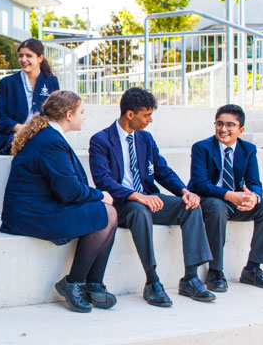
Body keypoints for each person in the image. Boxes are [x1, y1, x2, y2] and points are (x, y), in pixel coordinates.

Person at [88, 87, 215, 307]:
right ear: (130, 114)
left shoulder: (145, 139)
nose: (150, 120)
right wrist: (136, 196)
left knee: (191, 207)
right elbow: (103, 181)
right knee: (139, 209)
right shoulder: (101, 140)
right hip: (122, 205)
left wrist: (185, 192)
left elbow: (162, 171)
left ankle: (190, 278)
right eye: (146, 115)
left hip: (149, 199)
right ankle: (152, 281)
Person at [1, 90, 118, 313]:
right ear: (68, 115)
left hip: (41, 206)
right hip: (30, 214)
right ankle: (73, 283)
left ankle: (93, 285)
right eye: (82, 112)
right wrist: (100, 194)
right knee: (107, 212)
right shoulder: (50, 141)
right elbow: (69, 191)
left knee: (107, 212)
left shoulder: (48, 136)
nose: (84, 117)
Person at [189, 104, 263, 291]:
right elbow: (200, 184)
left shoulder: (248, 150)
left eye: (230, 125)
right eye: (219, 124)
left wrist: (253, 197)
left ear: (241, 129)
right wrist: (230, 195)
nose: (223, 129)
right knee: (217, 206)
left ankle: (252, 269)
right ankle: (215, 271)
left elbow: (255, 181)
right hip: (209, 201)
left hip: (236, 203)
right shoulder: (202, 148)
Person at [0, 38, 59, 155]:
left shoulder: (51, 81)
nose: (23, 60)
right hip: (13, 136)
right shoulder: (7, 83)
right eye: (21, 56)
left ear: (40, 58)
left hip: (42, 135)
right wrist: (19, 128)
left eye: (29, 56)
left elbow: (55, 114)